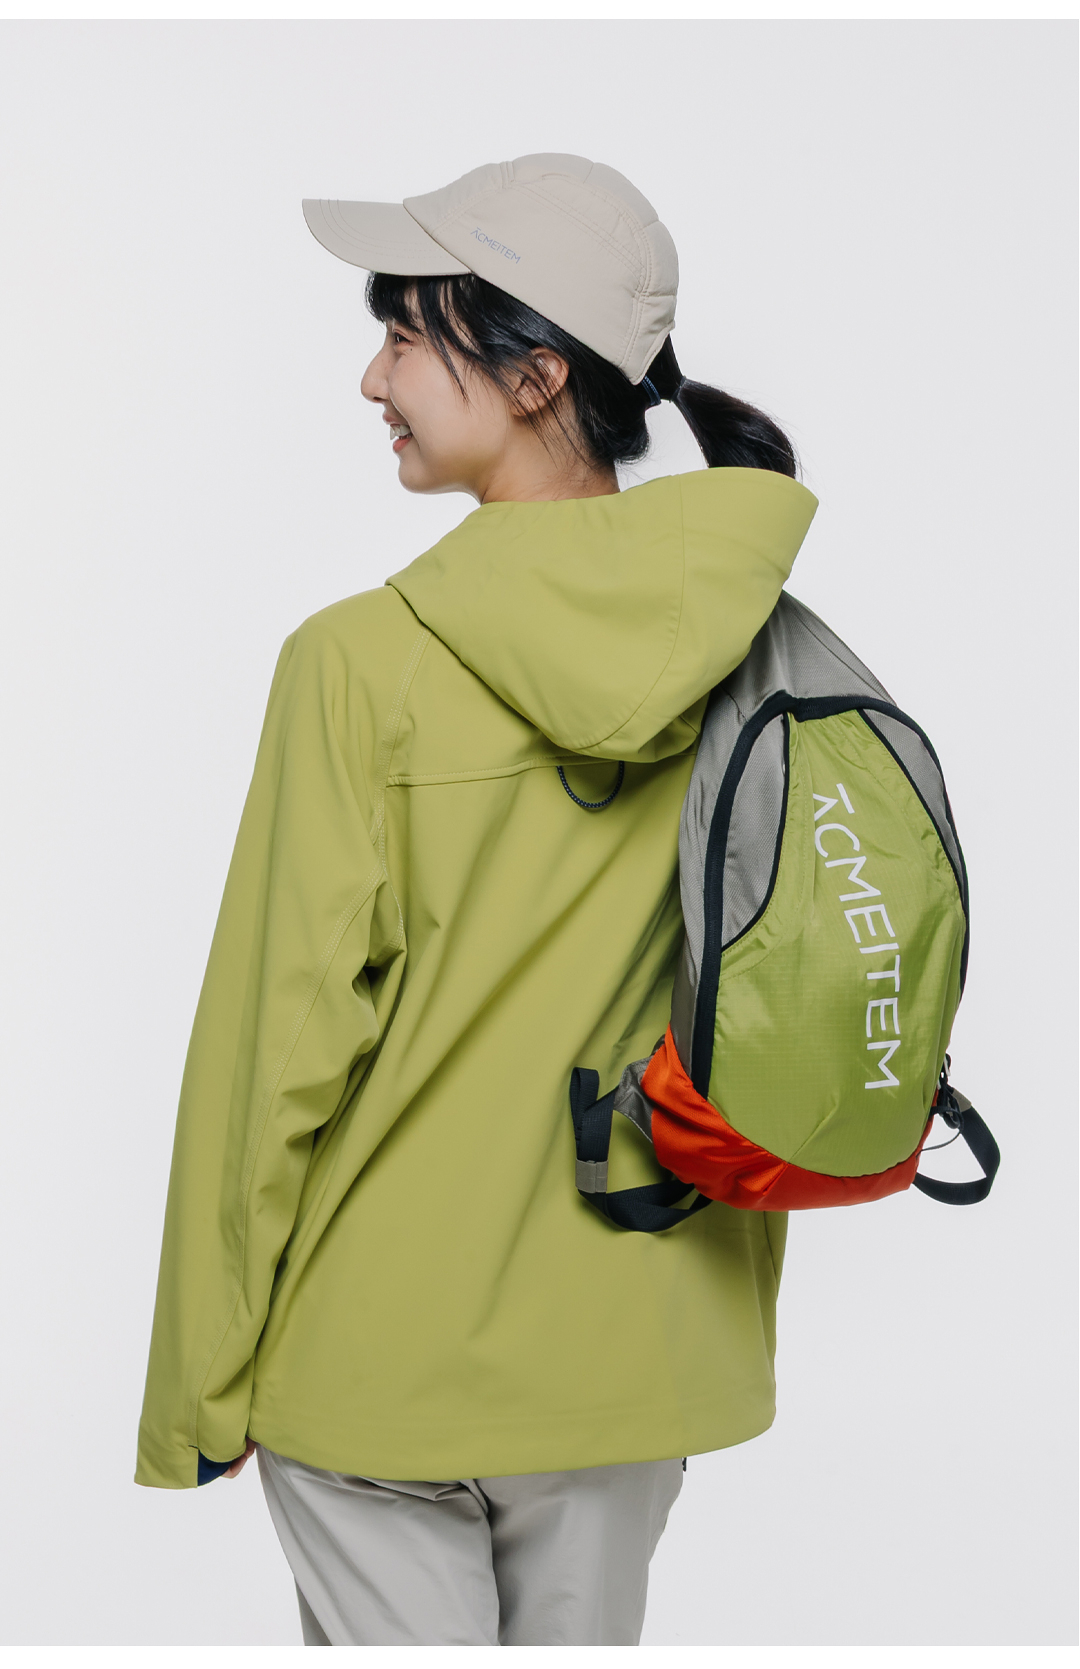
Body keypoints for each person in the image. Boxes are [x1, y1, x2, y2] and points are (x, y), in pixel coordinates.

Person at [135, 152, 818, 1647]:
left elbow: (275, 1052)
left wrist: (199, 1380)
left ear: (535, 375)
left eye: (404, 333)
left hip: (381, 1352)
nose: (370, 376)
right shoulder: (754, 646)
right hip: (638, 1337)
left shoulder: (360, 663)